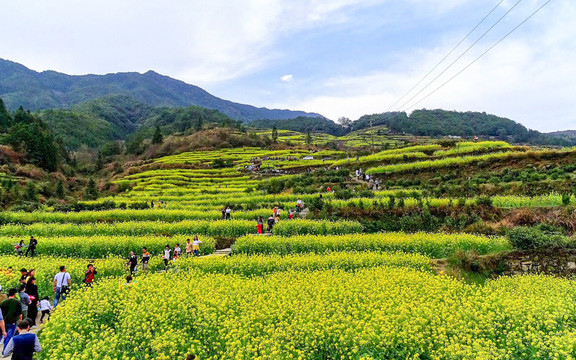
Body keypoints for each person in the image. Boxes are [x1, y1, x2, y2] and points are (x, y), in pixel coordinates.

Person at [0, 288, 22, 356]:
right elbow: (20, 313)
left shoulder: (3, 302)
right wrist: (20, 320)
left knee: (3, 336)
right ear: (15, 294)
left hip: (4, 322)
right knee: (9, 337)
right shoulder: (17, 302)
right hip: (12, 322)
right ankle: (4, 352)